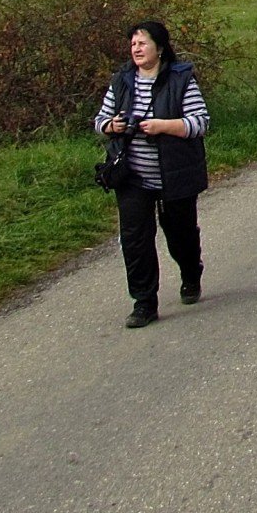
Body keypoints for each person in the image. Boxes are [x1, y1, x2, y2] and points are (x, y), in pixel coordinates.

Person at [95, 18, 210, 328]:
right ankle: (144, 302)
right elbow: (101, 120)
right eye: (133, 43)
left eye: (142, 42)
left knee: (181, 234)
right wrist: (112, 126)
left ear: (160, 48)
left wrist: (164, 126)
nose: (136, 48)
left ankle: (190, 274)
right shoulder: (121, 81)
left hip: (174, 173)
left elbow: (200, 122)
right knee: (135, 240)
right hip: (132, 177)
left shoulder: (181, 78)